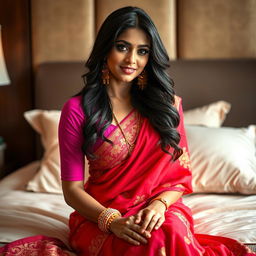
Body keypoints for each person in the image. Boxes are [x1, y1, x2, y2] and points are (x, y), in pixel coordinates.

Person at [58, 6, 255, 256]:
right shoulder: (77, 110)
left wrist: (159, 206)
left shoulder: (167, 107)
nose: (132, 60)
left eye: (142, 51)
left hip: (161, 208)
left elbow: (178, 178)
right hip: (99, 213)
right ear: (105, 47)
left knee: (166, 233)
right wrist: (111, 221)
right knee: (136, 242)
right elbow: (72, 190)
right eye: (122, 47)